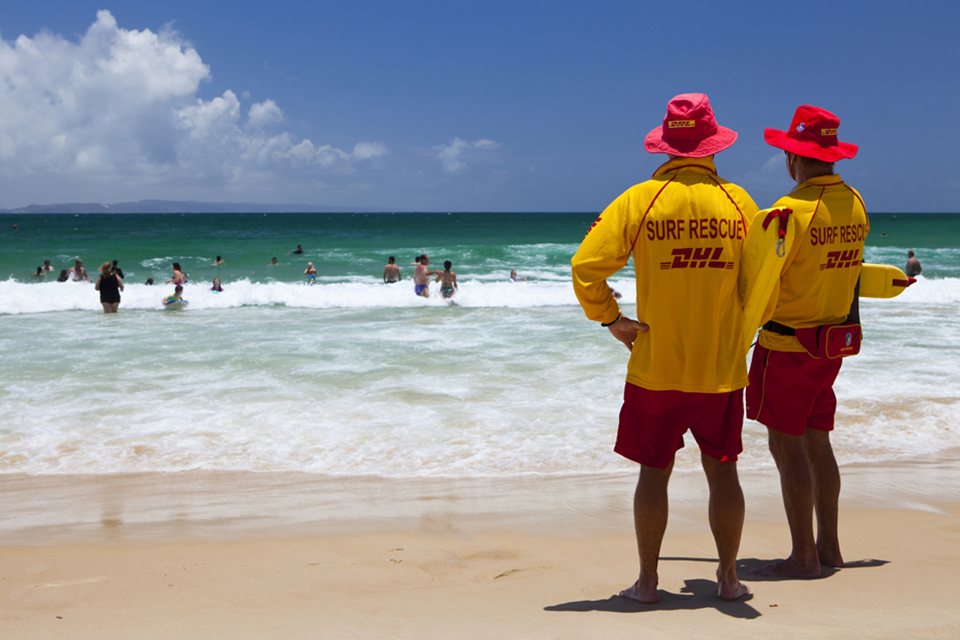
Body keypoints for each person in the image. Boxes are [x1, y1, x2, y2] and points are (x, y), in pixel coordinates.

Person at [571, 93, 757, 603]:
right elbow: (764, 284)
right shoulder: (741, 204)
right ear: (715, 145)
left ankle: (648, 581)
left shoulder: (639, 200)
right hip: (720, 368)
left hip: (655, 365)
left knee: (654, 472)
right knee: (724, 472)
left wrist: (611, 319)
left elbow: (585, 266)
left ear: (667, 147)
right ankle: (729, 578)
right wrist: (739, 331)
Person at [745, 105, 867, 579]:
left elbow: (756, 284)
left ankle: (803, 556)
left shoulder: (787, 213)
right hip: (830, 347)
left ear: (791, 158)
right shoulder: (855, 203)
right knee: (818, 441)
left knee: (787, 446)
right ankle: (830, 547)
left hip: (787, 348)